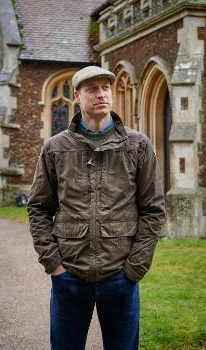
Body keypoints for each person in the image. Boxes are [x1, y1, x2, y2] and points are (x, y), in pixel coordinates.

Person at [27, 66, 166, 350]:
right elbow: (39, 208)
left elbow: (153, 210)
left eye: (105, 87)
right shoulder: (55, 148)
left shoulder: (138, 145)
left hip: (121, 277)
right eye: (92, 89)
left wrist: (134, 269)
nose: (101, 94)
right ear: (77, 95)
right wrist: (53, 264)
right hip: (70, 277)